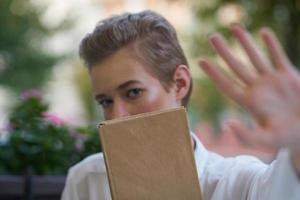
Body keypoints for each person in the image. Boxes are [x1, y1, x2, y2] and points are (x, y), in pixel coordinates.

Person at [61, 10, 300, 200]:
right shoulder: (86, 180)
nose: (116, 116)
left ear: (180, 83)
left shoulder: (236, 182)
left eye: (133, 92)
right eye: (105, 102)